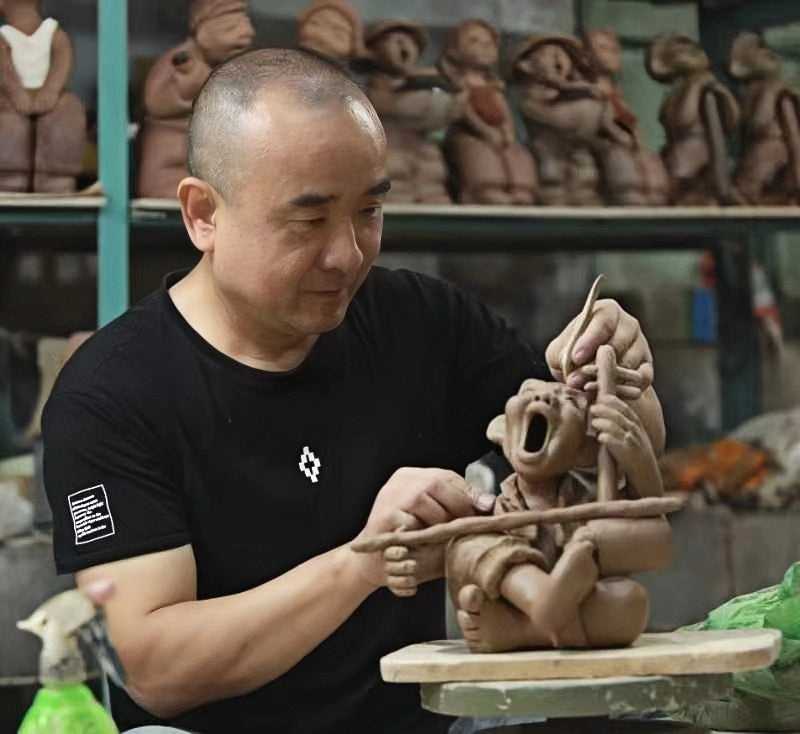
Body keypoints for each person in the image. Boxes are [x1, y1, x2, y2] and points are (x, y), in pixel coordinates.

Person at [42, 48, 663, 734]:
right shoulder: (113, 392)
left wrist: (615, 385)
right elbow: (153, 670)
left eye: (368, 210)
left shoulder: (421, 321)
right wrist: (365, 564)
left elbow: (598, 480)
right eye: (309, 222)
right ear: (202, 215)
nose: (347, 254)